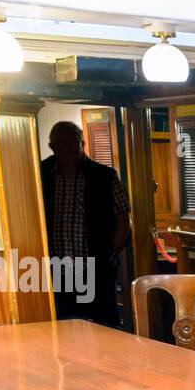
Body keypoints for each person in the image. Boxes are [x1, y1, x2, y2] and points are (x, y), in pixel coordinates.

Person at [40, 120, 131, 327]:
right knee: (62, 325)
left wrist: (110, 252)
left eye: (73, 142)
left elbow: (123, 219)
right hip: (56, 268)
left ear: (82, 143)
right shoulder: (41, 174)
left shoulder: (104, 176)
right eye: (61, 143)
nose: (68, 147)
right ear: (52, 147)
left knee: (104, 325)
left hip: (96, 267)